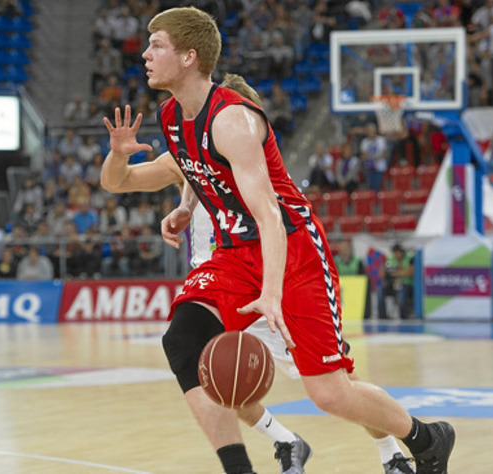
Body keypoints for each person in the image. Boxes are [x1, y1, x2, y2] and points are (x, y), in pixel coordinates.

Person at [100, 7, 454, 474]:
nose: (145, 54)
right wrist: (119, 157)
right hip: (235, 254)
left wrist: (270, 293)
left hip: (293, 251)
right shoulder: (171, 116)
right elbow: (120, 182)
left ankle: (426, 438)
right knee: (183, 342)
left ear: (189, 57)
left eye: (156, 45)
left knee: (329, 393)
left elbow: (269, 215)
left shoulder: (232, 119)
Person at [380, 244, 414, 320]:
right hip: (393, 283)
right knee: (381, 291)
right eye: (395, 253)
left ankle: (404, 316)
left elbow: (410, 272)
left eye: (399, 252)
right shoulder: (390, 258)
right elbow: (383, 273)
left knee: (401, 295)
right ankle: (382, 316)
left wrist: (394, 273)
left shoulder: (410, 258)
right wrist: (393, 274)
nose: (397, 255)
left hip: (406, 283)